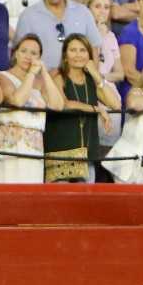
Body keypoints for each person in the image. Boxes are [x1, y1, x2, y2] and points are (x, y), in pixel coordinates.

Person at [0, 33, 64, 183]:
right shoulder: (3, 76)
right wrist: (32, 73)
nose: (28, 56)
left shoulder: (40, 82)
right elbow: (17, 100)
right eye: (24, 51)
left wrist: (45, 73)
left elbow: (58, 105)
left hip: (33, 147)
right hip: (6, 147)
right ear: (15, 53)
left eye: (34, 53)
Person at [44, 33, 119, 183]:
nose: (78, 55)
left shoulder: (91, 80)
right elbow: (64, 104)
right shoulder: (58, 76)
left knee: (84, 203)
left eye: (83, 50)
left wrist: (96, 75)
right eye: (73, 50)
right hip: (61, 152)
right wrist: (96, 109)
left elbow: (115, 104)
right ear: (65, 55)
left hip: (86, 153)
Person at [16, 0, 97, 69]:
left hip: (77, 80)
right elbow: (19, 53)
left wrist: (95, 79)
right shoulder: (28, 15)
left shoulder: (83, 12)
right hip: (41, 80)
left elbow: (94, 47)